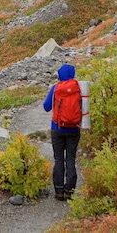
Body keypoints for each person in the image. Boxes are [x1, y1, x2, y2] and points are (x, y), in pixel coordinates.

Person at [43, 63, 80, 201]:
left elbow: (46, 107)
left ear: (59, 75)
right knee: (70, 158)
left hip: (57, 129)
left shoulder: (55, 88)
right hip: (74, 129)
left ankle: (59, 191)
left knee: (59, 159)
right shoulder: (79, 88)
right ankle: (69, 191)